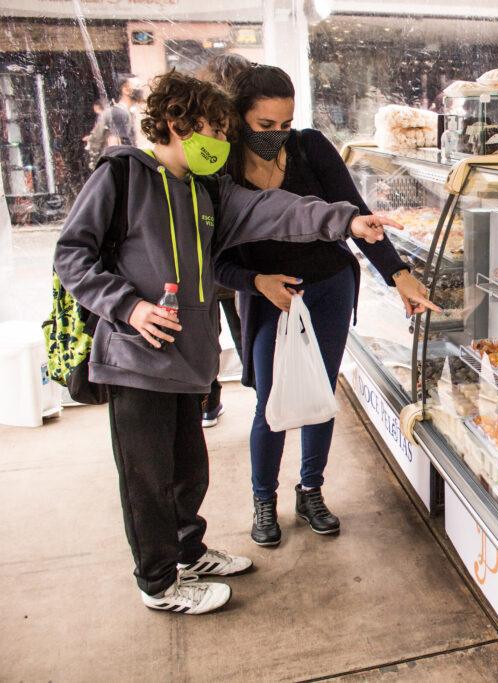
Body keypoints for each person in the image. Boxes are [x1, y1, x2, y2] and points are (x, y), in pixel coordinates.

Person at [53, 70, 405, 615]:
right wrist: (130, 306)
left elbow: (277, 210)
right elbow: (72, 256)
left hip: (188, 360)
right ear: (176, 124)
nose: (224, 143)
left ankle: (189, 553)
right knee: (148, 479)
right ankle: (158, 583)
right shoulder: (122, 177)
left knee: (188, 469)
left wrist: (346, 221)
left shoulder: (207, 190)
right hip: (134, 358)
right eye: (215, 131)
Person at [215, 65, 439, 547]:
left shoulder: (309, 146)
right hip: (270, 297)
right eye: (264, 126)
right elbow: (215, 260)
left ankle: (311, 489)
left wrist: (398, 274)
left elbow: (356, 213)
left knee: (319, 395)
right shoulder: (223, 168)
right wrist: (255, 281)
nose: (277, 135)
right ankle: (263, 500)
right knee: (270, 401)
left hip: (329, 287)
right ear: (239, 119)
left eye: (285, 124)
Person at [194, 53, 253, 427]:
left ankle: (208, 401)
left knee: (205, 338)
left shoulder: (206, 137)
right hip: (237, 259)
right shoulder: (242, 140)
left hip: (205, 259)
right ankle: (263, 392)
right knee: (245, 330)